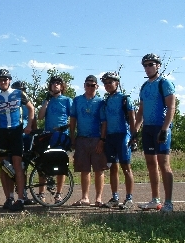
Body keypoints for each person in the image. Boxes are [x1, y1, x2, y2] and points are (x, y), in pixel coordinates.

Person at [0, 69, 34, 211]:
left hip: (16, 131)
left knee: (17, 166)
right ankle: (9, 198)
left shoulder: (18, 93)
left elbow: (31, 108)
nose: (3, 82)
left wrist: (29, 125)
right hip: (3, 133)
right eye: (0, 80)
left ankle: (21, 199)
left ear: (9, 80)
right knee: (4, 167)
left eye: (5, 79)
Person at [134, 53, 175, 212]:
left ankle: (169, 203)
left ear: (158, 65)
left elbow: (171, 107)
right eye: (145, 65)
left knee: (164, 164)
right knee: (151, 164)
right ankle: (155, 200)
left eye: (151, 64)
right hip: (148, 129)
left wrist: (165, 129)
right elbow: (141, 111)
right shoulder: (145, 86)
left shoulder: (164, 83)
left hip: (161, 127)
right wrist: (135, 131)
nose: (148, 67)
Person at [99, 72, 136, 210]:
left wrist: (134, 136)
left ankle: (129, 199)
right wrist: (103, 139)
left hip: (123, 136)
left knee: (126, 168)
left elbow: (132, 118)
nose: (108, 85)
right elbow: (105, 122)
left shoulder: (125, 98)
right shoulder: (106, 101)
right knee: (112, 168)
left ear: (117, 83)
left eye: (110, 82)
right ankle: (115, 198)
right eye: (105, 83)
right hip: (110, 137)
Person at [69, 75, 107, 207]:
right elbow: (73, 119)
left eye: (93, 85)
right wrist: (72, 136)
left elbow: (104, 123)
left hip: (96, 139)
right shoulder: (77, 100)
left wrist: (102, 140)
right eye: (87, 84)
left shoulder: (101, 102)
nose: (90, 87)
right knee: (84, 170)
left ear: (97, 86)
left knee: (99, 169)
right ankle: (85, 197)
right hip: (82, 138)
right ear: (84, 85)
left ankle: (98, 198)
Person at [37, 76, 73, 203]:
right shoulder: (47, 100)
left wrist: (64, 127)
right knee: (43, 164)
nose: (55, 85)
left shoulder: (67, 100)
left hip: (61, 136)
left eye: (58, 83)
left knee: (60, 165)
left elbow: (74, 119)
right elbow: (40, 117)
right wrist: (46, 100)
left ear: (62, 86)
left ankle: (58, 193)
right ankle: (41, 193)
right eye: (53, 83)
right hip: (48, 136)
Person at [11, 80, 37, 205]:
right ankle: (15, 193)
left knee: (24, 166)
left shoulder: (28, 104)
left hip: (27, 137)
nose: (21, 92)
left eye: (22, 90)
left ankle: (23, 193)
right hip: (15, 136)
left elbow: (34, 119)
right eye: (18, 90)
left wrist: (34, 132)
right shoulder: (12, 103)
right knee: (15, 165)